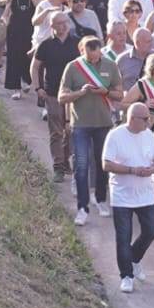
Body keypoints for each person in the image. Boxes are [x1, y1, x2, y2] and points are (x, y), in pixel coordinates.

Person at [61, 36, 125, 226]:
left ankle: (101, 198)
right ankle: (82, 207)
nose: (93, 60)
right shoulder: (73, 67)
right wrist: (80, 93)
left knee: (101, 163)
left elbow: (119, 94)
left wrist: (103, 91)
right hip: (80, 124)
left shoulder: (110, 66)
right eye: (89, 57)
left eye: (96, 56)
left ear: (101, 51)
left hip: (103, 123)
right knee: (81, 165)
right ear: (82, 51)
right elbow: (62, 97)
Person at [102, 102, 154, 293]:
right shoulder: (116, 136)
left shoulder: (148, 135)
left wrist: (153, 169)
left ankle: (134, 258)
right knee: (123, 236)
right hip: (122, 194)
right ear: (132, 119)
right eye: (145, 119)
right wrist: (132, 170)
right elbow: (107, 164)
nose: (148, 121)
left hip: (145, 194)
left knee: (151, 230)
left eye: (149, 118)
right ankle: (126, 275)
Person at [31, 10, 80, 180]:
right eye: (59, 23)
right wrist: (37, 88)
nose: (63, 25)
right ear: (52, 26)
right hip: (52, 92)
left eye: (65, 22)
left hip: (73, 95)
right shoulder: (46, 45)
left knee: (71, 130)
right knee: (56, 131)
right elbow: (35, 66)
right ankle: (58, 166)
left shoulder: (77, 44)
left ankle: (66, 161)